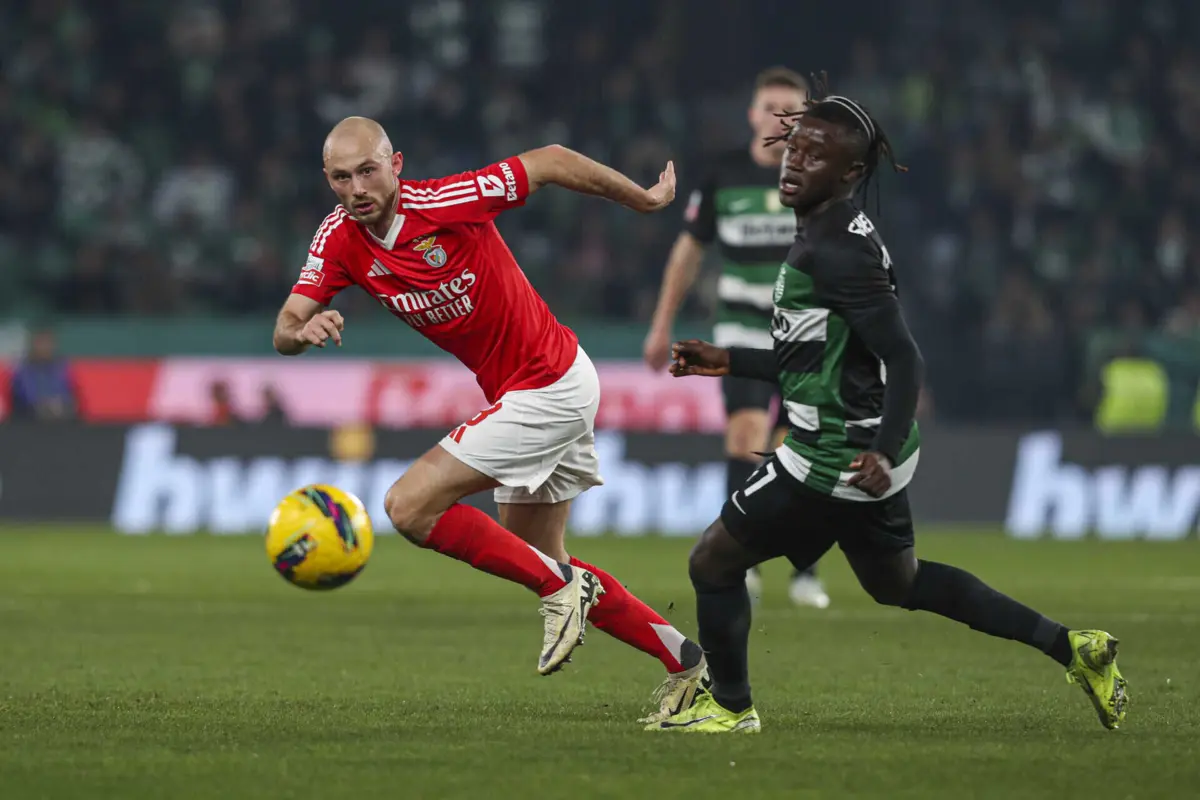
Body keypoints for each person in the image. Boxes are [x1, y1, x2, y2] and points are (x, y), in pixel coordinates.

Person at [649, 82, 1129, 733]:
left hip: (840, 450)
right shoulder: (830, 228)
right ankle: (1074, 647)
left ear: (850, 173)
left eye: (817, 156)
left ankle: (729, 707)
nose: (796, 161)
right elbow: (817, 357)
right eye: (797, 146)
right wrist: (729, 360)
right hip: (872, 443)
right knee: (895, 583)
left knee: (711, 562)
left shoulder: (835, 250)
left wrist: (877, 444)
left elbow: (906, 359)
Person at [273, 117, 707, 723]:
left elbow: (552, 159)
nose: (357, 188)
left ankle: (561, 592)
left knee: (408, 507)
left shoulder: (447, 202)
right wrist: (304, 329)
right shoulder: (338, 238)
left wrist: (643, 198)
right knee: (537, 556)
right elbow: (285, 328)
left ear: (396, 164)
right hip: (537, 385)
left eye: (368, 171)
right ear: (328, 179)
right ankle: (688, 665)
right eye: (342, 178)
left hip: (549, 384)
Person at [644, 67, 829, 609]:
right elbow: (688, 250)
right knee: (744, 432)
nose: (779, 117)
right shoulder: (724, 175)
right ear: (752, 114)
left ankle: (804, 571)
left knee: (799, 450)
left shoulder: (820, 178)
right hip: (740, 329)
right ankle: (739, 559)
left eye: (790, 110)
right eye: (770, 106)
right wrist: (662, 325)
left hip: (806, 333)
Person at [10, 327, 77, 421]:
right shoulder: (23, 369)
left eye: (48, 343)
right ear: (33, 345)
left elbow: (66, 393)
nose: (45, 347)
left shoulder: (60, 367)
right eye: (41, 343)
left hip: (60, 414)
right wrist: (46, 404)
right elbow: (26, 395)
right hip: (31, 418)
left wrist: (58, 404)